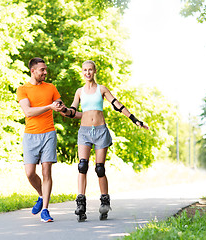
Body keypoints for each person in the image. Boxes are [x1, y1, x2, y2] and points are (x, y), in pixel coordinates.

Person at [60, 60, 149, 221]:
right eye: (85, 70)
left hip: (100, 131)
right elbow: (73, 110)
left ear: (95, 71)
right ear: (82, 72)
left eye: (90, 70)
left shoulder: (101, 89)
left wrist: (135, 120)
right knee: (82, 166)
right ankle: (80, 204)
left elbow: (117, 105)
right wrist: (64, 110)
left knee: (99, 168)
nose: (87, 72)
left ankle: (105, 202)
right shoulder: (79, 91)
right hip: (84, 132)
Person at [17, 57, 65, 222]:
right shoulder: (23, 89)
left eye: (45, 69)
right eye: (42, 70)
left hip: (48, 133)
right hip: (30, 135)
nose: (45, 72)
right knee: (30, 173)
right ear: (33, 71)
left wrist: (61, 107)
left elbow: (60, 105)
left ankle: (45, 209)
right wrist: (49, 107)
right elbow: (28, 112)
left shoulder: (51, 88)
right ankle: (40, 195)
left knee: (46, 172)